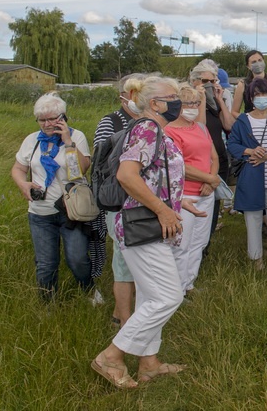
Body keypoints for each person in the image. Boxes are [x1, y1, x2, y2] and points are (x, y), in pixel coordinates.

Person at [91, 75, 193, 388]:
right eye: (172, 95)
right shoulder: (147, 127)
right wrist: (162, 209)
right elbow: (127, 175)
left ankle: (149, 363)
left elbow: (153, 178)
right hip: (142, 226)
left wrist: (178, 202)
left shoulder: (156, 130)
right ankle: (111, 356)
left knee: (150, 295)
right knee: (168, 296)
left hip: (150, 223)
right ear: (154, 103)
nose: (178, 100)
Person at [12, 92, 93, 301]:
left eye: (53, 119)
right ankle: (48, 304)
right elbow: (18, 169)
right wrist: (23, 183)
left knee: (77, 259)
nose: (47, 124)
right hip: (40, 212)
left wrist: (67, 142)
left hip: (71, 211)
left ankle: (89, 290)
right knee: (46, 263)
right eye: (42, 120)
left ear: (63, 117)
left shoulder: (77, 137)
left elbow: (80, 171)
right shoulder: (31, 141)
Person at [95, 74, 144, 325]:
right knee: (123, 258)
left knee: (139, 258)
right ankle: (122, 315)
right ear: (123, 96)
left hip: (142, 200)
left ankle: (132, 311)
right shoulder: (111, 121)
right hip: (120, 199)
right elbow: (101, 162)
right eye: (133, 92)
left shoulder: (150, 122)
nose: (137, 98)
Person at [227, 78, 267, 270]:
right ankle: (256, 259)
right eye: (256, 95)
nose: (261, 98)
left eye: (264, 94)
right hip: (251, 176)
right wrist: (250, 151)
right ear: (251, 98)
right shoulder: (243, 120)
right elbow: (233, 144)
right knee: (252, 218)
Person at [164, 85, 217, 295]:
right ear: (178, 105)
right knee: (182, 244)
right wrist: (209, 178)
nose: (193, 107)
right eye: (188, 103)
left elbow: (213, 157)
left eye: (196, 103)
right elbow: (177, 165)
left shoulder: (201, 128)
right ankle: (176, 290)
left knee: (200, 241)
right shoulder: (169, 131)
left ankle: (189, 283)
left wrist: (210, 182)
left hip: (206, 192)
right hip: (184, 194)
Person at [189, 61, 235, 242]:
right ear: (194, 81)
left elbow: (229, 124)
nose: (209, 84)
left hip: (219, 159)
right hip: (201, 162)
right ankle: (197, 245)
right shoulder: (191, 103)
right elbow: (200, 126)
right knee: (201, 204)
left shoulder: (214, 101)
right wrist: (201, 99)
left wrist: (219, 100)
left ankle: (207, 241)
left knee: (214, 205)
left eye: (213, 80)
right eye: (204, 80)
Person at [231, 50, 267, 116]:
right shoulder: (243, 84)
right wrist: (247, 119)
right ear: (248, 66)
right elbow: (234, 111)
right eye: (254, 62)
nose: (258, 63)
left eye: (260, 60)